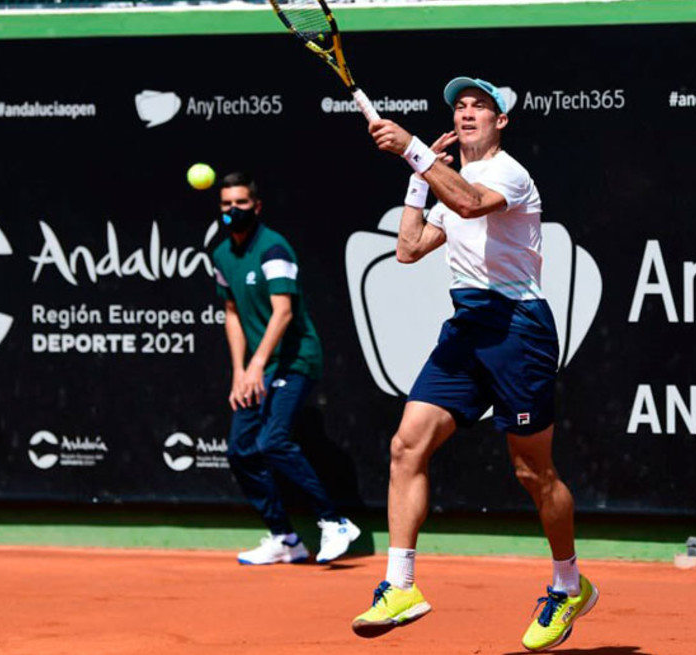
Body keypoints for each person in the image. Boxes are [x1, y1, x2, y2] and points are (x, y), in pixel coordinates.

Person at [351, 78, 598, 652]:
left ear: (500, 121)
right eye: (460, 106)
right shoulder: (447, 183)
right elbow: (408, 249)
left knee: (533, 473)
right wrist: (418, 178)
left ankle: (569, 584)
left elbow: (468, 202)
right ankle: (401, 585)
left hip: (517, 330)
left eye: (480, 107)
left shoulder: (509, 174)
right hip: (466, 328)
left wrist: (412, 148)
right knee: (406, 446)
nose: (467, 113)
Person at [210, 171, 360, 565]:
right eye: (226, 204)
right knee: (240, 450)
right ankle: (285, 538)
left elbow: (283, 312)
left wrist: (257, 364)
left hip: (295, 360)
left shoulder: (273, 249)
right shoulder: (221, 255)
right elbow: (232, 313)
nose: (233, 210)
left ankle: (335, 522)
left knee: (273, 441)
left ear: (256, 206)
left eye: (241, 203)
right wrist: (240, 371)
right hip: (258, 366)